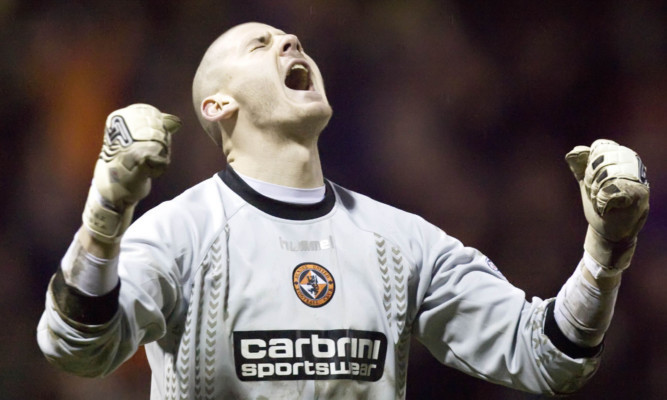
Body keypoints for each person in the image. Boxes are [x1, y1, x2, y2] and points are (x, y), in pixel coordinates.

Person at [37, 22, 650, 399]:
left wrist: (605, 251)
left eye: (292, 40)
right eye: (260, 44)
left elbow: (550, 357)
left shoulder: (401, 241)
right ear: (218, 105)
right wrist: (107, 208)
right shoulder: (178, 233)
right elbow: (75, 347)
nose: (289, 42)